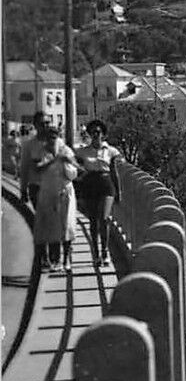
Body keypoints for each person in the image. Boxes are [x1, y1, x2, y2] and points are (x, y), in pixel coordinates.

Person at [74, 120, 123, 268]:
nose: (96, 135)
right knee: (93, 222)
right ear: (89, 134)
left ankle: (105, 251)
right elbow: (76, 169)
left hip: (106, 184)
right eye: (93, 132)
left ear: (103, 134)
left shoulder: (111, 151)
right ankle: (95, 254)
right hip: (90, 185)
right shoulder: (82, 152)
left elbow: (114, 172)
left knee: (104, 218)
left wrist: (119, 191)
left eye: (98, 132)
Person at [32, 131, 78, 273]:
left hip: (65, 192)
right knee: (52, 227)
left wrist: (64, 163)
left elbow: (73, 174)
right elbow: (38, 169)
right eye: (49, 138)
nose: (52, 140)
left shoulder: (66, 151)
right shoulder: (41, 152)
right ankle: (55, 260)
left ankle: (67, 259)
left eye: (54, 137)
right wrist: (53, 161)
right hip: (48, 192)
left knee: (67, 225)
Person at [18, 114, 57, 209]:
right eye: (41, 124)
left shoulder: (58, 142)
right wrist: (23, 190)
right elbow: (24, 167)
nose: (45, 126)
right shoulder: (28, 145)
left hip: (54, 187)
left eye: (47, 123)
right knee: (41, 220)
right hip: (37, 188)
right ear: (35, 125)